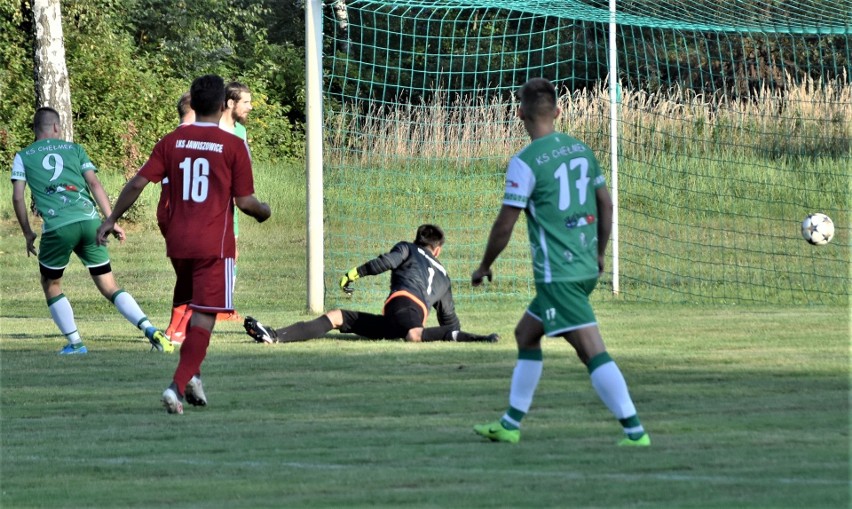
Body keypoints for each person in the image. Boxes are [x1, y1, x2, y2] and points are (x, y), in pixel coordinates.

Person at [470, 78, 649, 446]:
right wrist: (599, 252)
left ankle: (635, 431)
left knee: (591, 350)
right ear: (559, 111)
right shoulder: (581, 150)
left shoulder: (525, 162)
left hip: (558, 275)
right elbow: (606, 205)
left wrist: (485, 264)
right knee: (526, 334)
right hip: (584, 266)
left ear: (519, 113)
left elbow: (506, 222)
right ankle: (510, 424)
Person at [97, 74, 271, 414]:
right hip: (214, 246)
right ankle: (176, 386)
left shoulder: (172, 141)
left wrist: (111, 218)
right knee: (205, 316)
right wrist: (264, 212)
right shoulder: (232, 145)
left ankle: (193, 377)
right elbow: (246, 202)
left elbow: (137, 183)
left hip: (177, 242)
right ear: (223, 106)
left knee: (192, 307)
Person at [11, 107, 172, 355]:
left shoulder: (23, 156)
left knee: (51, 283)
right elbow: (94, 183)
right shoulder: (75, 149)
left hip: (58, 226)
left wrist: (27, 232)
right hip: (89, 222)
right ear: (56, 127)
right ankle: (150, 330)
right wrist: (111, 219)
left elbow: (18, 198)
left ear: (35, 129)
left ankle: (75, 343)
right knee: (109, 285)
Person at [243, 224, 499, 344]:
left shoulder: (407, 248)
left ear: (417, 240)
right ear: (438, 250)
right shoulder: (444, 275)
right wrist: (454, 334)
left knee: (413, 334)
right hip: (403, 317)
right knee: (337, 317)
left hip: (403, 307)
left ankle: (481, 339)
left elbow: (386, 262)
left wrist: (355, 273)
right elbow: (450, 322)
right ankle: (274, 336)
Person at [217, 81, 253, 322]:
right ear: (231, 103)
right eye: (246, 102)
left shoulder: (240, 131)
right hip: (212, 202)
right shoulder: (212, 128)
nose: (250, 107)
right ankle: (216, 306)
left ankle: (224, 305)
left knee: (232, 252)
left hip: (232, 202)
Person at [162, 92, 196, 344]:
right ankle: (182, 330)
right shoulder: (201, 139)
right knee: (202, 277)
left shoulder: (167, 141)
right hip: (190, 214)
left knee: (186, 277)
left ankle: (173, 328)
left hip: (166, 212)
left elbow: (139, 181)